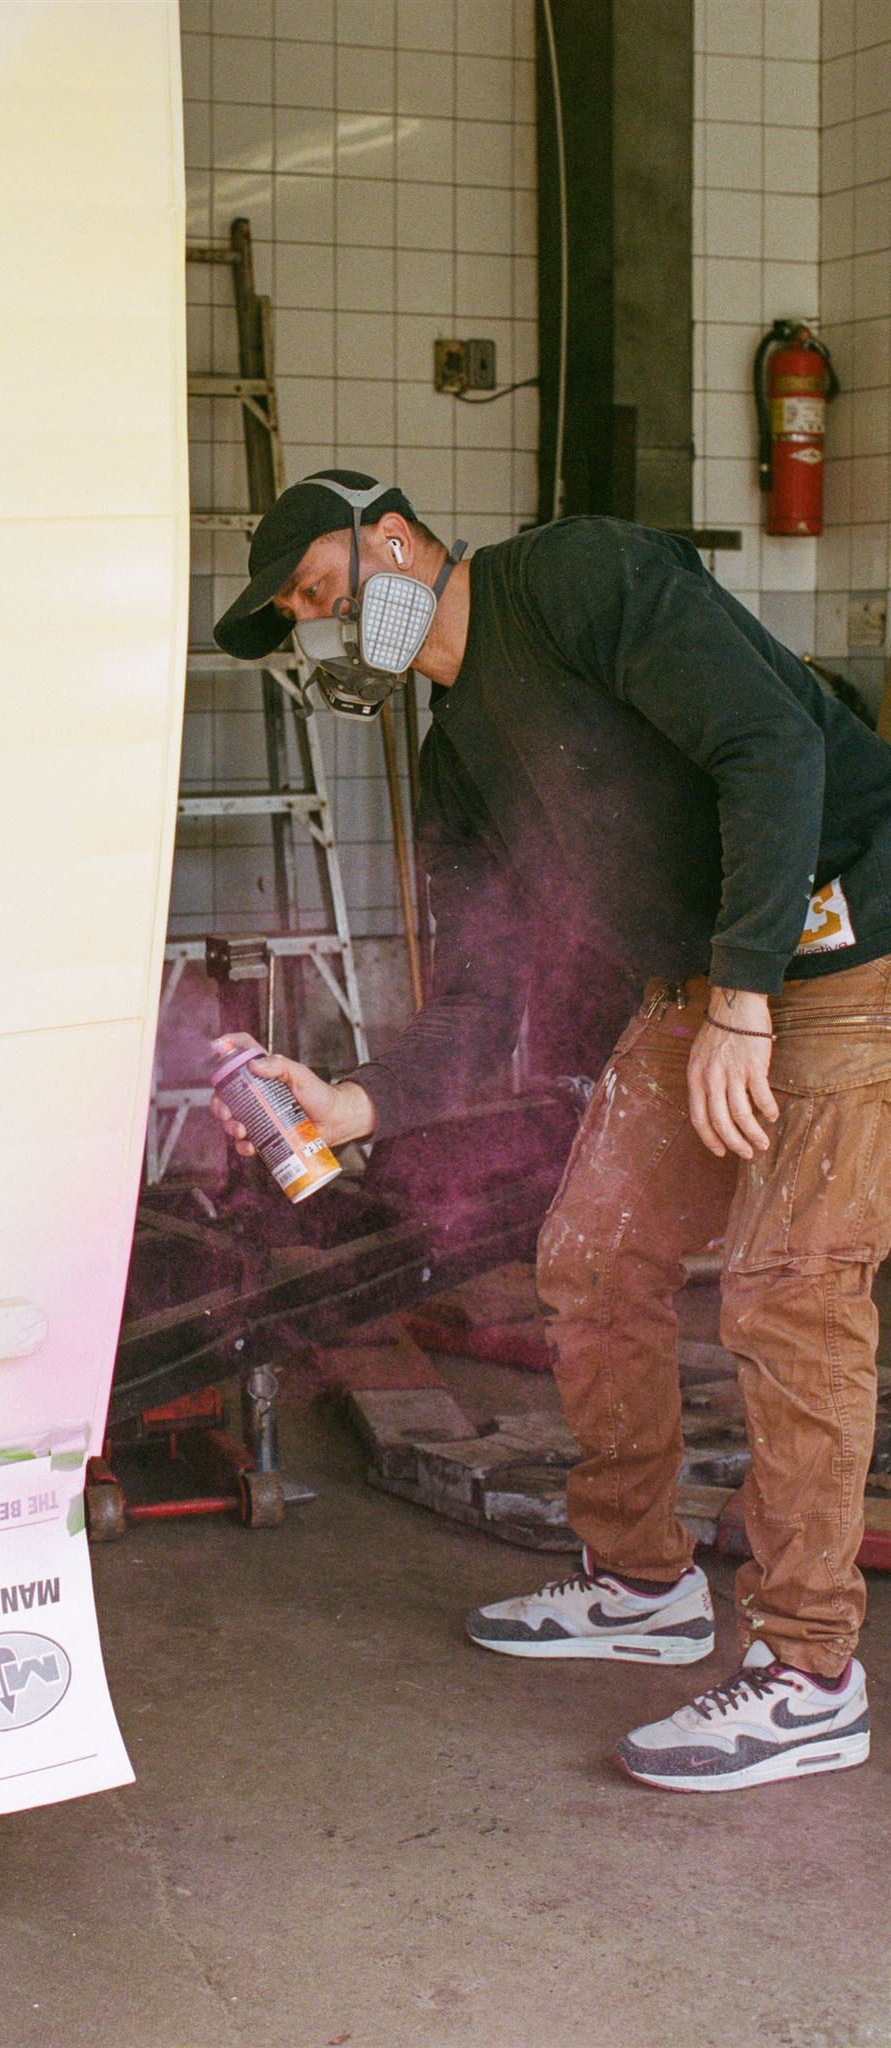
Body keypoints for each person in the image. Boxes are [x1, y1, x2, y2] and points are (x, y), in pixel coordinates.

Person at [211, 468, 891, 1794]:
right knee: (590, 1258)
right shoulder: (457, 751)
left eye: (321, 590)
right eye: (303, 615)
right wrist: (351, 1104)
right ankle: (642, 1583)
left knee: (787, 1295)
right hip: (708, 979)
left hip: (848, 941)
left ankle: (809, 1675)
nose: (325, 626)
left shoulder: (574, 576)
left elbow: (774, 743)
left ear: (392, 539)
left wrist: (743, 1000)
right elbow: (480, 993)